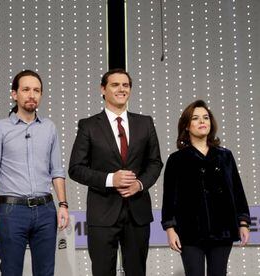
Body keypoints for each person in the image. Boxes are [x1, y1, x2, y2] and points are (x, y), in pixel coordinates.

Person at [68, 68, 163, 276]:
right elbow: (75, 169)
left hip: (137, 212)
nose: (121, 89)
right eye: (115, 85)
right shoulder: (89, 125)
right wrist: (112, 179)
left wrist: (139, 184)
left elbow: (155, 162)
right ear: (103, 89)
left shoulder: (145, 122)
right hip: (102, 214)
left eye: (126, 85)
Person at [0, 70, 69, 276]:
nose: (32, 95)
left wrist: (63, 205)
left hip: (46, 209)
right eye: (26, 90)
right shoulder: (0, 128)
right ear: (14, 94)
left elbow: (56, 170)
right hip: (12, 211)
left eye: (37, 90)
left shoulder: (49, 128)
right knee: (11, 272)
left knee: (46, 272)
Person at [161, 99, 250, 276]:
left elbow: (237, 191)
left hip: (222, 229)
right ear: (187, 125)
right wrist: (170, 229)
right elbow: (169, 198)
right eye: (195, 118)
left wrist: (243, 222)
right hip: (189, 232)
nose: (202, 121)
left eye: (206, 117)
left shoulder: (225, 156)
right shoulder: (176, 159)